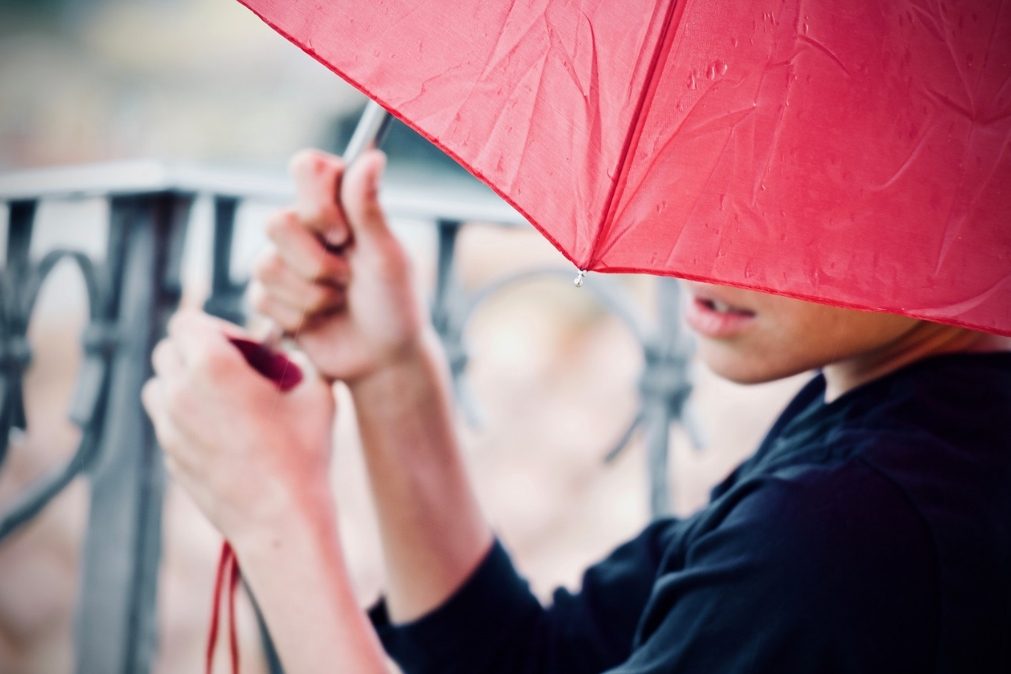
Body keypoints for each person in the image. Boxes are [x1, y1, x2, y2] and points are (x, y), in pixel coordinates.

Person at [142, 148, 1011, 673]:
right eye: (708, 145)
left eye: (800, 175)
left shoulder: (851, 529)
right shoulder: (900, 421)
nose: (698, 227)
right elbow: (526, 665)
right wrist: (391, 370)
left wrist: (275, 522)